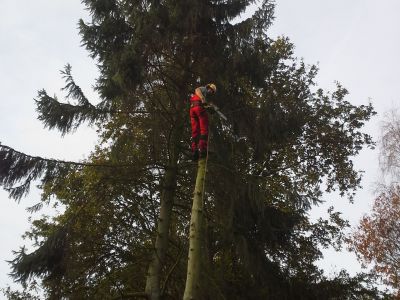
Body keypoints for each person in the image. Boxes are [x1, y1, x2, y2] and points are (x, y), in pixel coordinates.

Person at [189, 83, 217, 161]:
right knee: (204, 129)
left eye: (212, 92)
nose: (211, 92)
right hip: (198, 108)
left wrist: (210, 108)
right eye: (211, 90)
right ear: (209, 88)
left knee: (195, 131)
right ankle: (203, 149)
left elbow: (204, 104)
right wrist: (202, 99)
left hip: (193, 110)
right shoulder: (203, 89)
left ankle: (195, 151)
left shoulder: (204, 96)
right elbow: (197, 90)